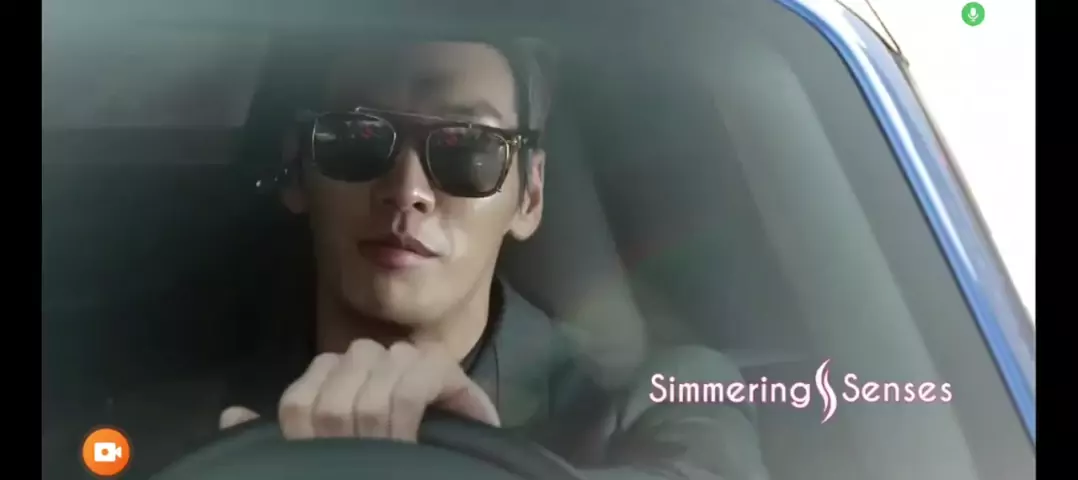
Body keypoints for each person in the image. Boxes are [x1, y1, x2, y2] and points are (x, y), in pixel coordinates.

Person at [45, 38, 771, 480]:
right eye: (358, 139)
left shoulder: (654, 401)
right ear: (298, 172)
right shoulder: (169, 421)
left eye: (468, 148)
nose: (408, 190)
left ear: (529, 195)